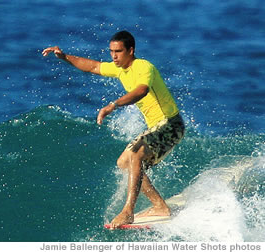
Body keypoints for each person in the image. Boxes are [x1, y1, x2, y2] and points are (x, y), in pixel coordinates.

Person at [42, 30, 185, 229]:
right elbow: (92, 66)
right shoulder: (120, 69)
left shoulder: (143, 67)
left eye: (118, 51)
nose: (114, 56)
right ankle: (159, 206)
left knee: (135, 155)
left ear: (131, 50)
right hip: (157, 127)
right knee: (124, 162)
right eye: (111, 51)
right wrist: (65, 57)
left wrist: (113, 105)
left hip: (171, 124)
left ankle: (128, 211)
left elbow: (141, 91)